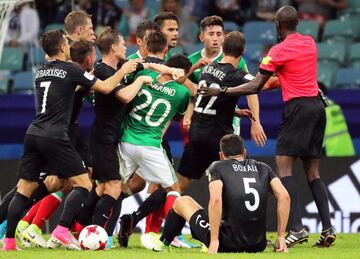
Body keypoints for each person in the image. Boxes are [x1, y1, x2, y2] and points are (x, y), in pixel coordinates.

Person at [200, 6, 336, 248]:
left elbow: (254, 86)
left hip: (297, 109)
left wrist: (222, 90)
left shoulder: (277, 51)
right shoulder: (309, 43)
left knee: (284, 167)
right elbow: (279, 80)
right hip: (318, 107)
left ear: (277, 25)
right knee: (313, 171)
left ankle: (296, 228)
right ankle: (327, 228)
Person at [2, 29, 140, 251]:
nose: (68, 45)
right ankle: (62, 230)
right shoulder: (70, 69)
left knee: (24, 189)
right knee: (83, 183)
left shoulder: (41, 71)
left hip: (33, 132)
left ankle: (8, 241)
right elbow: (105, 87)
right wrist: (123, 69)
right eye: (66, 42)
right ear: (62, 47)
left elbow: (70, 88)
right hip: (55, 134)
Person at [119, 31, 258, 249]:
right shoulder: (233, 72)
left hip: (196, 135)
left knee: (173, 187)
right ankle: (225, 233)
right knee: (230, 185)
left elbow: (200, 95)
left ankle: (137, 220)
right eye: (211, 32)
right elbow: (259, 85)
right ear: (242, 52)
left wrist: (234, 112)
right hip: (217, 138)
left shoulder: (206, 69)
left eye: (218, 33)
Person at [141, 134, 290, 253]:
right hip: (258, 244)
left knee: (182, 201)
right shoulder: (263, 168)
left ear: (221, 155)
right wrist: (281, 236)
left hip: (226, 243)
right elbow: (284, 197)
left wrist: (214, 240)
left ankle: (163, 243)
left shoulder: (218, 166)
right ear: (244, 153)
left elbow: (216, 200)